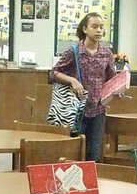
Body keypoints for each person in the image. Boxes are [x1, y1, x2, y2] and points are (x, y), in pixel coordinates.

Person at [49, 12, 118, 163]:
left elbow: (112, 78)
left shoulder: (106, 53)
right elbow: (53, 73)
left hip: (98, 109)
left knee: (94, 155)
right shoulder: (74, 51)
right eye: (94, 27)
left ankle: (92, 178)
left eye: (101, 27)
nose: (99, 30)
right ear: (85, 29)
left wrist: (117, 90)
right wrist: (72, 80)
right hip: (76, 109)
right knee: (74, 152)